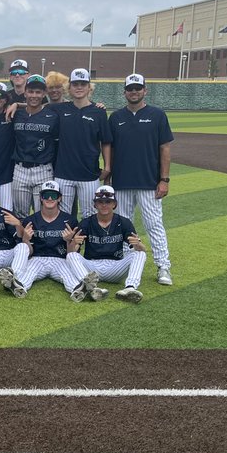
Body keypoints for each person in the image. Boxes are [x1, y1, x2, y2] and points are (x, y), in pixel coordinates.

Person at [109, 73, 174, 285]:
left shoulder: (157, 115)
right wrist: (109, 176)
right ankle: (123, 265)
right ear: (124, 92)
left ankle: (163, 266)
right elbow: (109, 148)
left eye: (138, 88)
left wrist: (164, 179)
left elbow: (165, 148)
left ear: (145, 90)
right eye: (130, 89)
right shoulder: (116, 117)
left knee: (154, 224)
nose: (134, 92)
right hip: (122, 182)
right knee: (122, 225)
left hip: (149, 182)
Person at [0, 180, 89, 300]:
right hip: (38, 258)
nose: (50, 198)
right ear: (41, 198)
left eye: (54, 195)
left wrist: (69, 241)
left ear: (59, 198)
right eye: (46, 195)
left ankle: (78, 290)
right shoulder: (31, 220)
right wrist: (26, 239)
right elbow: (29, 252)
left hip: (60, 259)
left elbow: (71, 254)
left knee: (67, 276)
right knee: (28, 274)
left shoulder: (70, 221)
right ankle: (16, 284)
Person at [66, 185, 148, 303]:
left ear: (114, 204)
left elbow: (141, 249)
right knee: (71, 256)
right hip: (91, 268)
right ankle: (89, 287)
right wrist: (73, 242)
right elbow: (72, 252)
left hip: (115, 267)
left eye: (108, 201)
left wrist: (139, 245)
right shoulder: (86, 223)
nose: (104, 205)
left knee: (140, 254)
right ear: (95, 204)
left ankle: (130, 288)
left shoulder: (124, 222)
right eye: (100, 202)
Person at [53, 67, 112, 219]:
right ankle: (67, 244)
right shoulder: (60, 109)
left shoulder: (98, 111)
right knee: (63, 217)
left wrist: (107, 167)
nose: (79, 87)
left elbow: (105, 141)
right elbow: (36, 107)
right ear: (69, 88)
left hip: (89, 174)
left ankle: (89, 244)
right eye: (75, 84)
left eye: (83, 84)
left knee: (90, 215)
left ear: (89, 88)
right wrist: (16, 105)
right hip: (63, 173)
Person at [9, 74, 60, 216]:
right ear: (25, 92)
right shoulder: (16, 114)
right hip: (20, 169)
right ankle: (22, 239)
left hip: (43, 169)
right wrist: (16, 104)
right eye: (31, 91)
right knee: (19, 214)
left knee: (43, 213)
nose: (34, 95)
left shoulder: (52, 116)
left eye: (38, 92)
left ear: (44, 93)